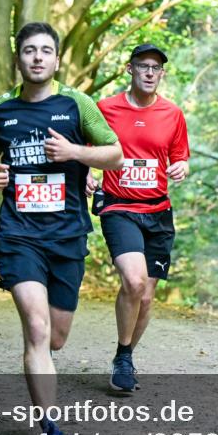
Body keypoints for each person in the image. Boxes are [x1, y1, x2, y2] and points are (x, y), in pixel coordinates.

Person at [0, 22, 122, 435]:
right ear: (18, 59)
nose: (37, 57)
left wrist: (75, 154)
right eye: (28, 51)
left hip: (67, 235)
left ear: (56, 60)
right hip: (19, 234)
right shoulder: (1, 109)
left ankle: (45, 396)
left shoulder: (76, 105)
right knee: (36, 330)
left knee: (56, 338)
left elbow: (114, 153)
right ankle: (50, 432)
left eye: (45, 51)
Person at [88, 43, 190, 392]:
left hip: (158, 211)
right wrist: (86, 170)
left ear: (162, 74)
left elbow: (180, 156)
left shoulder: (172, 114)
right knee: (133, 281)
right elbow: (87, 149)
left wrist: (182, 167)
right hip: (120, 207)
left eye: (156, 68)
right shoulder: (105, 109)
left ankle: (124, 354)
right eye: (143, 66)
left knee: (146, 297)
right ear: (129, 69)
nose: (149, 72)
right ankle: (124, 357)